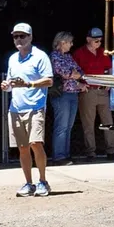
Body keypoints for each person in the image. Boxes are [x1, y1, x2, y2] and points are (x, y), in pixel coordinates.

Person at [2, 23, 52, 196]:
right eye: (15, 36)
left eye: (22, 36)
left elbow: (49, 81)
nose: (19, 39)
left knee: (35, 143)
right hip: (15, 109)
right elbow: (11, 84)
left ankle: (43, 181)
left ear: (30, 37)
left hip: (35, 107)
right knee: (23, 147)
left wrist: (29, 83)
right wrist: (6, 86)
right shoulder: (12, 59)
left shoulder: (40, 56)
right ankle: (28, 184)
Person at [72, 27, 114, 157]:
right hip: (88, 91)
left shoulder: (103, 52)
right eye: (95, 40)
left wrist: (109, 82)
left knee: (108, 121)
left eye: (100, 40)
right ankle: (91, 151)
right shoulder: (79, 53)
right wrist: (79, 83)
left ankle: (112, 150)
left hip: (103, 91)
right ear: (88, 39)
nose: (98, 43)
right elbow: (73, 72)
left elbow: (109, 69)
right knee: (88, 123)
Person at [48, 31, 83, 164]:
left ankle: (66, 154)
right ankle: (59, 156)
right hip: (61, 95)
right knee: (61, 125)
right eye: (70, 42)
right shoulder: (54, 56)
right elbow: (64, 72)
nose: (72, 44)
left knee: (69, 125)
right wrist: (73, 74)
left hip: (73, 93)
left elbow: (79, 71)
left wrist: (74, 75)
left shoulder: (68, 57)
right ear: (62, 42)